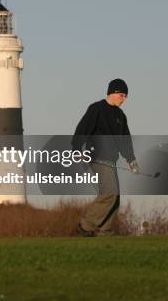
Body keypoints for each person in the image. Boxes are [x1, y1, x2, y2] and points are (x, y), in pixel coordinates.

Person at [71, 78, 139, 237]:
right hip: (97, 158)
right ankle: (85, 225)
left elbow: (125, 140)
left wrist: (131, 160)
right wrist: (76, 148)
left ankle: (104, 230)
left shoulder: (120, 116)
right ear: (114, 93)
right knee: (109, 193)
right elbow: (83, 128)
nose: (125, 99)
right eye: (123, 95)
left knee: (115, 198)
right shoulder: (96, 109)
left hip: (111, 160)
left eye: (126, 96)